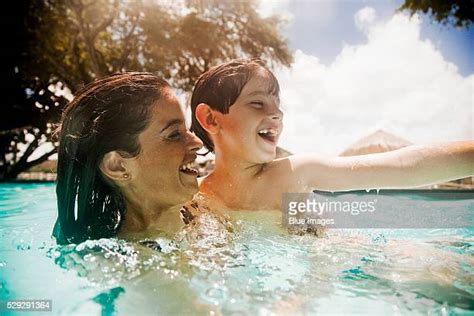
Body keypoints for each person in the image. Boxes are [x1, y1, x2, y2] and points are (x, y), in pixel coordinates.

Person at [190, 59, 474, 212]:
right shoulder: (194, 198)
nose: (278, 114)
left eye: (278, 105)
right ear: (211, 119)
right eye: (257, 103)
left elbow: (403, 165)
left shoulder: (295, 173)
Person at [53, 72, 203, 244]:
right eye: (174, 134)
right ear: (118, 166)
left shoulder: (205, 212)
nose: (197, 142)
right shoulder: (126, 265)